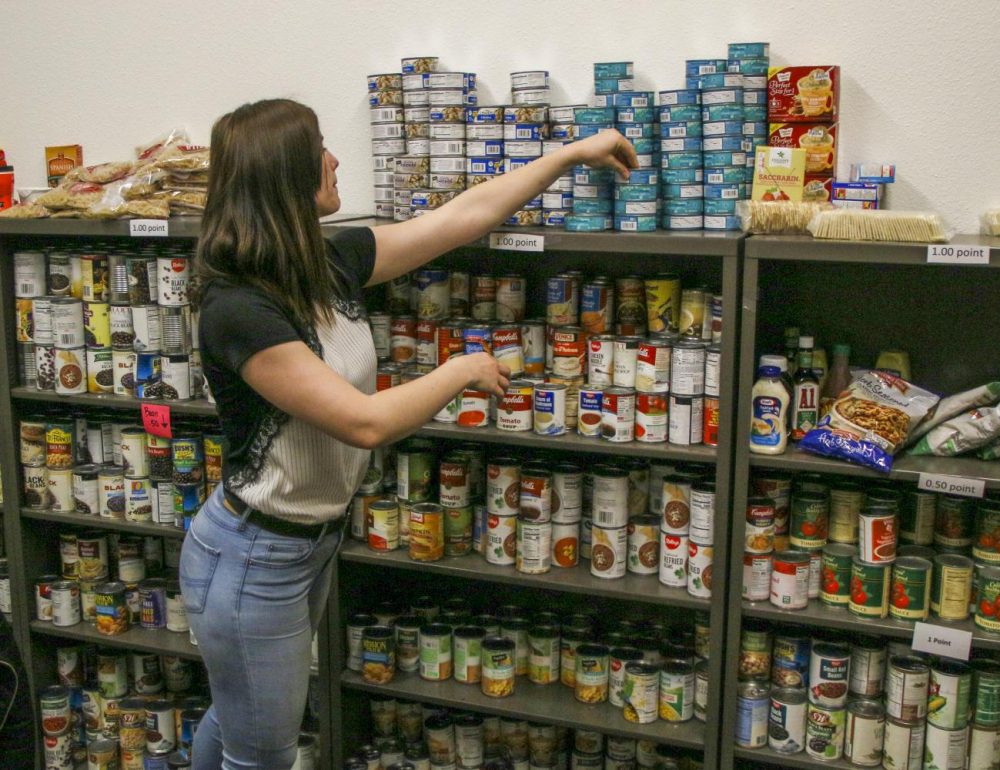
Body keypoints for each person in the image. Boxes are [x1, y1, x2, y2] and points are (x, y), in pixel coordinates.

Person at [180, 97, 637, 770]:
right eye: (322, 150)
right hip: (254, 555)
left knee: (238, 718)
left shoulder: (325, 265)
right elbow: (364, 423)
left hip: (303, 545)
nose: (336, 161)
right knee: (264, 752)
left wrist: (569, 155)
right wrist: (460, 369)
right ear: (287, 179)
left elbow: (461, 218)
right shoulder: (239, 309)